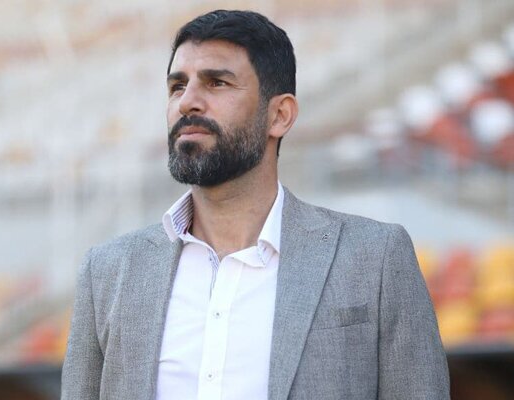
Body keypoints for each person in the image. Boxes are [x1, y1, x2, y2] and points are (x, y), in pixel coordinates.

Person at [61, 9, 450, 400]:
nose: (187, 102)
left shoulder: (375, 258)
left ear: (279, 115)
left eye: (216, 83)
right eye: (177, 86)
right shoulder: (108, 272)